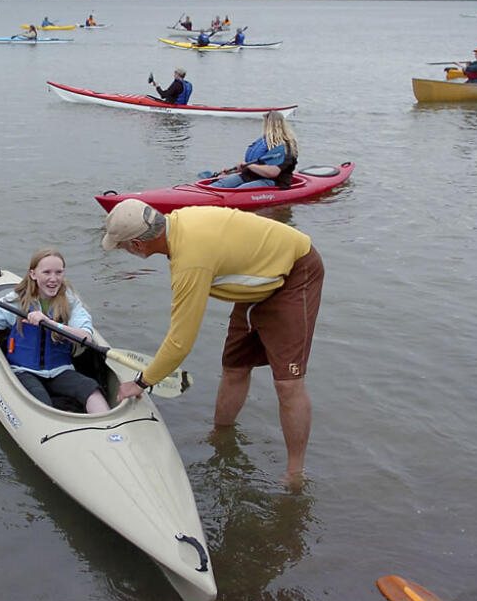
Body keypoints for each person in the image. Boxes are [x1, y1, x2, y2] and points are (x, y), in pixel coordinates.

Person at [100, 200, 324, 478]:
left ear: (137, 244)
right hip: (257, 276)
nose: (123, 250)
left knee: (287, 384)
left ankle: (295, 474)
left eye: (121, 246)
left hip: (295, 272)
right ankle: (221, 435)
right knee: (234, 367)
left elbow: (180, 342)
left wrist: (141, 383)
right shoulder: (178, 224)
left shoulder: (190, 262)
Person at [0, 249, 112, 415]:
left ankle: (109, 428)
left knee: (92, 391)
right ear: (33, 274)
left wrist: (51, 323)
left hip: (60, 370)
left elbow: (85, 336)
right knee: (41, 403)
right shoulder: (17, 300)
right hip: (24, 370)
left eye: (59, 272)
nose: (53, 279)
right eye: (47, 272)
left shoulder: (70, 302)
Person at [210, 111, 298, 189]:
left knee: (240, 191)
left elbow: (272, 172)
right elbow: (256, 164)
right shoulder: (264, 141)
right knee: (218, 185)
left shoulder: (286, 148)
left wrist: (249, 166)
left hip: (272, 181)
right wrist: (233, 171)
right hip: (249, 176)